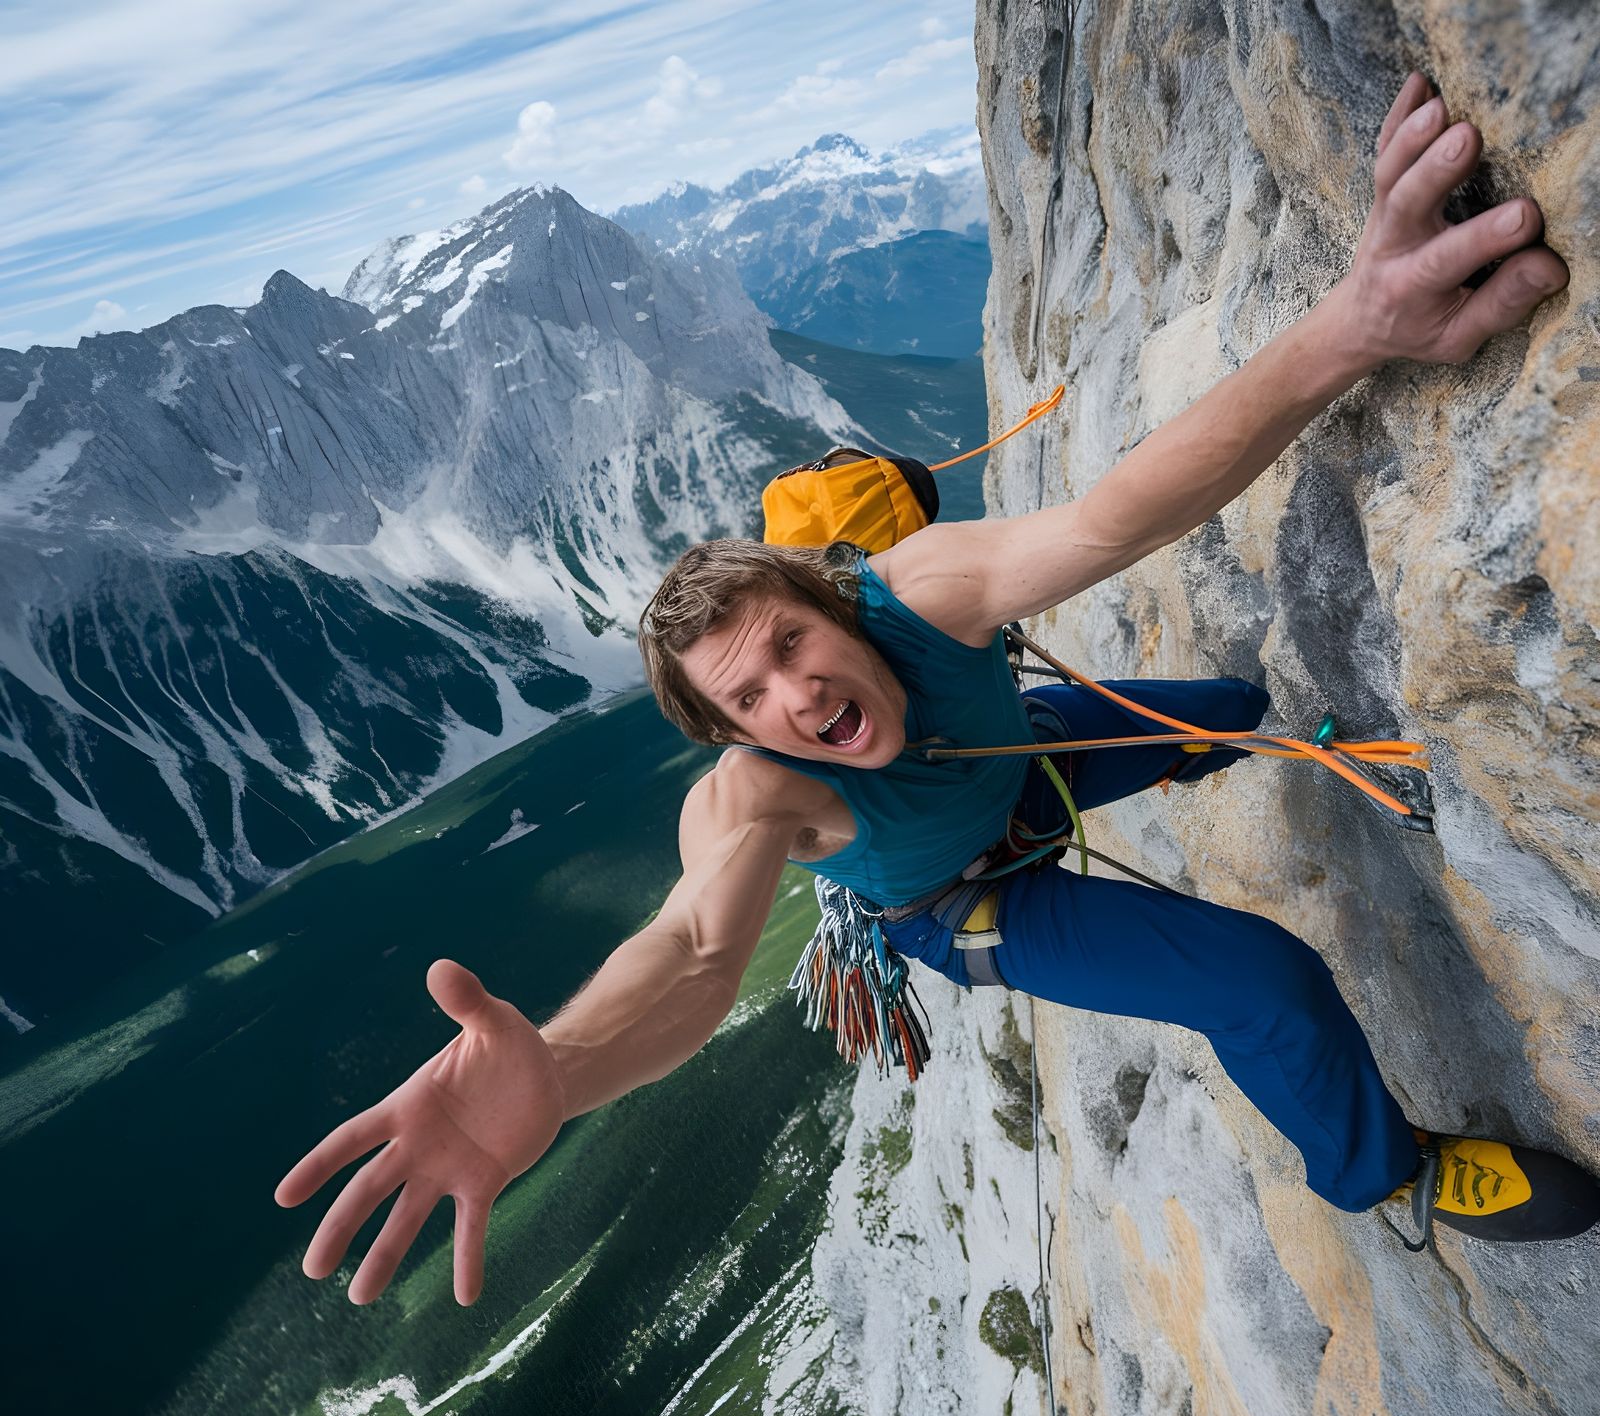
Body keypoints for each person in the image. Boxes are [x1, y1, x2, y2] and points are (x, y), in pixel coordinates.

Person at [276, 73, 1597, 1306]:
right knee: (1261, 982)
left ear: (831, 602)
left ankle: (1225, 743)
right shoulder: (761, 799)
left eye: (790, 645)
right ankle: (1394, 1175)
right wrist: (560, 1073)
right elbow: (689, 955)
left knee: (1226, 707)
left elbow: (1114, 520)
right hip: (971, 904)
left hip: (1016, 759)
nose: (791, 696)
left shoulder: (916, 595)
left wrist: (1356, 324)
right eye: (749, 698)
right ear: (735, 737)